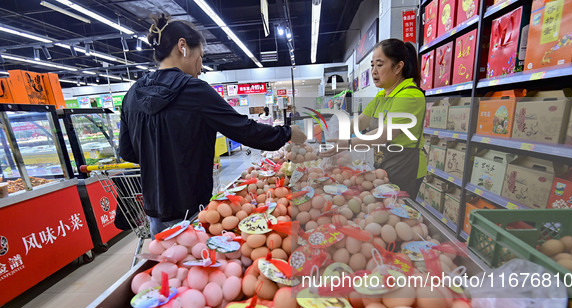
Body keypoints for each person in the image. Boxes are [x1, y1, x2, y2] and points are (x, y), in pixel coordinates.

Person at [118, 14, 306, 238]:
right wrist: (286, 132)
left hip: (154, 209)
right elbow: (244, 129)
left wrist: (160, 157)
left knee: (168, 265)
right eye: (200, 57)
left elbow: (127, 151)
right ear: (182, 46)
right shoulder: (195, 91)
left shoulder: (131, 94)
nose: (200, 67)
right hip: (192, 208)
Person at [321, 39, 426, 199]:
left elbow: (386, 134)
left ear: (398, 67)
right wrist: (334, 131)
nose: (374, 71)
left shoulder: (410, 95)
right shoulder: (382, 94)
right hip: (384, 161)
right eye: (372, 65)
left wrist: (348, 144)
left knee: (395, 212)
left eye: (380, 64)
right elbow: (362, 120)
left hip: (404, 166)